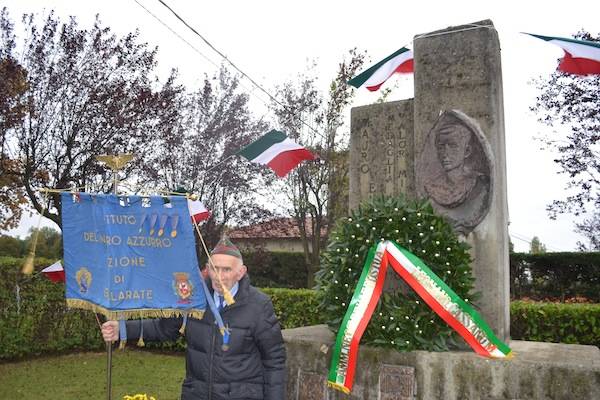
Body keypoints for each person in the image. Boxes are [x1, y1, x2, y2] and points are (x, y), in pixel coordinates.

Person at [101, 236, 286, 400]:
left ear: (241, 272)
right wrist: (122, 329)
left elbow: (274, 360)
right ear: (207, 269)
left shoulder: (259, 305)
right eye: (214, 269)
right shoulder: (191, 298)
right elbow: (164, 328)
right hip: (197, 393)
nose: (219, 276)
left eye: (227, 270)